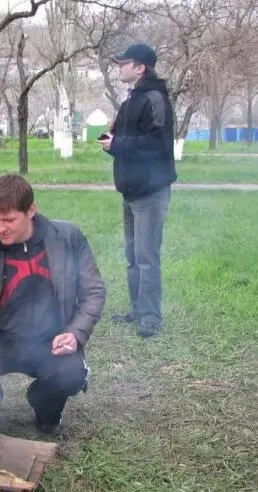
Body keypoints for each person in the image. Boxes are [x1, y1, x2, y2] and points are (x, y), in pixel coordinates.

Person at [0, 174, 105, 435]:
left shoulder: (66, 238)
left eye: (9, 220)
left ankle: (45, 405)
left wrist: (75, 333)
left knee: (71, 373)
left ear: (31, 210)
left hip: (49, 341)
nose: (0, 229)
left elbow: (94, 290)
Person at [98, 43, 177, 338]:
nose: (120, 67)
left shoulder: (155, 98)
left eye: (124, 63)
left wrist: (117, 145)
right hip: (130, 190)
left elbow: (155, 145)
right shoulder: (130, 101)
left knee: (146, 256)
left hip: (151, 191)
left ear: (140, 67)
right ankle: (137, 309)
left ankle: (151, 317)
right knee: (132, 256)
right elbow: (123, 139)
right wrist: (110, 141)